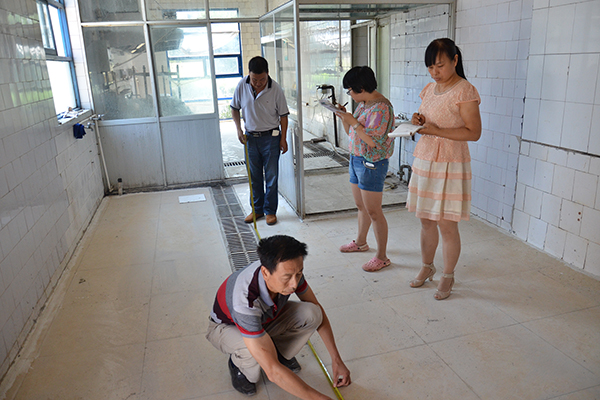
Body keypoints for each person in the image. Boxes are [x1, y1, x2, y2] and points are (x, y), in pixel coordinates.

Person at [206, 235, 351, 398]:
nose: (294, 284)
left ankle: (278, 353)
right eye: (287, 277)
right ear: (265, 272)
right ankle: (237, 366)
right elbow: (273, 372)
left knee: (312, 313)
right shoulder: (244, 300)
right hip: (226, 327)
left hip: (262, 320)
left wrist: (336, 359)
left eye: (299, 273)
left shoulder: (290, 271)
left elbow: (319, 312)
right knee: (251, 357)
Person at [406, 38, 482, 300]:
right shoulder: (429, 89)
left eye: (440, 65)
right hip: (425, 159)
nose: (434, 72)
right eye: (430, 67)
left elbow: (474, 133)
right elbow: (428, 119)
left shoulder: (465, 90)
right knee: (426, 220)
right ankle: (427, 266)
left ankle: (448, 275)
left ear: (455, 60)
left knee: (446, 224)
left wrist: (437, 131)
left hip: (450, 163)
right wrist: (417, 120)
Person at [334, 66, 395, 272]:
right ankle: (360, 242)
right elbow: (352, 133)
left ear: (360, 88)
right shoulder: (364, 104)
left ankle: (382, 256)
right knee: (361, 206)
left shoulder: (381, 107)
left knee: (374, 211)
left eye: (350, 90)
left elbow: (374, 142)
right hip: (356, 159)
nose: (349, 94)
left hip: (372, 162)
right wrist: (345, 118)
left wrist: (354, 123)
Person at [231, 56, 289, 226]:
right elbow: (234, 108)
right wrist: (238, 129)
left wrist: (283, 139)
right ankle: (257, 210)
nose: (258, 83)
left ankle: (270, 211)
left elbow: (283, 116)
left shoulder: (275, 89)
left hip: (271, 137)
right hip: (250, 138)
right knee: (254, 176)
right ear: (249, 74)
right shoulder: (242, 85)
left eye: (262, 79)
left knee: (271, 176)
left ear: (267, 74)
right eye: (254, 79)